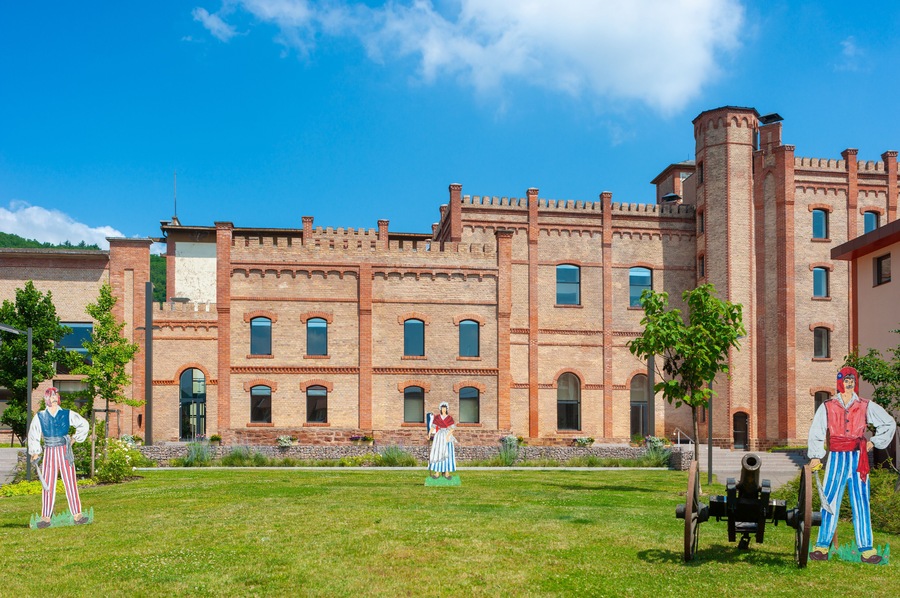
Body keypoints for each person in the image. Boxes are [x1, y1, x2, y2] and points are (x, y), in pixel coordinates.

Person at [808, 367, 896, 563]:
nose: (848, 384)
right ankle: (822, 547)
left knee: (861, 501)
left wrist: (874, 442)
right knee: (829, 501)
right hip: (837, 457)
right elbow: (817, 430)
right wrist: (815, 455)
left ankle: (867, 550)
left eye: (852, 380)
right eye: (845, 380)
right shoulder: (828, 406)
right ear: (839, 382)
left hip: (858, 459)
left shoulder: (865, 405)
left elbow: (888, 423)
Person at [27, 387, 91, 528]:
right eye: (51, 396)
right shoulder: (40, 416)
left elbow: (83, 424)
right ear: (46, 399)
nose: (54, 398)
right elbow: (34, 434)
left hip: (64, 452)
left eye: (55, 396)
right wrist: (35, 452)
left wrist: (74, 439)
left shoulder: (67, 414)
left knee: (71, 483)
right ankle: (46, 518)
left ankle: (77, 515)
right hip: (49, 452)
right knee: (48, 484)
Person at [428, 402, 457, 479]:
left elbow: (452, 428)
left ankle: (446, 472)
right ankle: (437, 472)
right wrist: (429, 433)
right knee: (438, 453)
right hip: (439, 436)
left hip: (447, 435)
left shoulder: (449, 418)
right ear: (440, 409)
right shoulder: (437, 417)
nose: (443, 409)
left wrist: (448, 436)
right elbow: (433, 426)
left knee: (447, 453)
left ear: (447, 409)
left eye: (445, 408)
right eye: (442, 408)